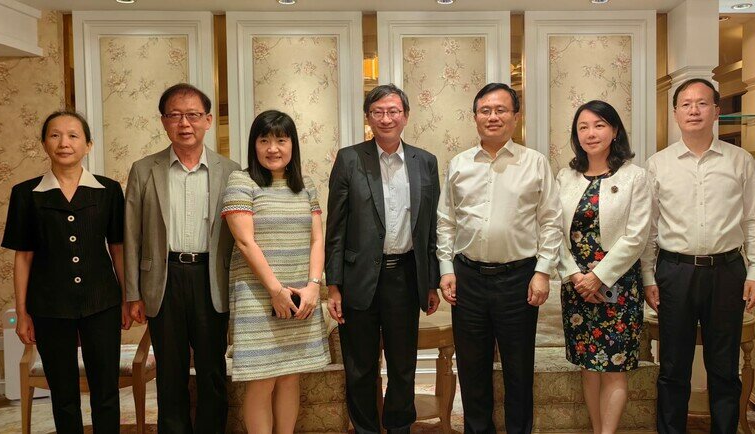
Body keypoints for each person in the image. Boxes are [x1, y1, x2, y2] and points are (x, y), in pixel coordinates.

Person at [641, 78, 755, 433]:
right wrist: (649, 277)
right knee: (673, 367)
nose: (693, 110)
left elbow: (753, 221)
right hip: (674, 272)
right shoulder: (658, 164)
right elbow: (649, 229)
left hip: (727, 272)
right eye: (685, 104)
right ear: (675, 113)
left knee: (724, 367)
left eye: (702, 103)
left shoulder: (740, 161)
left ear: (716, 110)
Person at [437, 82, 563, 434]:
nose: (493, 117)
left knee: (518, 369)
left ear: (515, 116)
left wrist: (543, 272)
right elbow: (446, 221)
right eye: (485, 111)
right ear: (475, 117)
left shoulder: (535, 163)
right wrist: (446, 269)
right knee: (472, 368)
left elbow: (551, 221)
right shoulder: (459, 164)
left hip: (519, 279)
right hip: (468, 278)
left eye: (501, 110)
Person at [2, 110, 131, 433]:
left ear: (88, 144)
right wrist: (22, 313)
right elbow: (24, 257)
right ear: (44, 143)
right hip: (48, 307)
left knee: (106, 391)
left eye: (73, 136)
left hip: (102, 303)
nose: (64, 143)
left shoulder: (108, 190)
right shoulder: (25, 194)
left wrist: (128, 298)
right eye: (55, 135)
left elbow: (118, 249)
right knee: (63, 394)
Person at [325, 84, 441, 434]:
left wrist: (431, 281)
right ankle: (365, 430)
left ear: (405, 115)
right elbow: (336, 227)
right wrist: (334, 286)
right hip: (358, 277)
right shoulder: (350, 159)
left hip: (405, 276)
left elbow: (431, 227)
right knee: (360, 366)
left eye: (393, 111)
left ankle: (399, 427)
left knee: (402, 365)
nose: (386, 118)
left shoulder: (426, 162)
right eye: (378, 112)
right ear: (368, 118)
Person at [124, 83, 240, 433]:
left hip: (211, 279)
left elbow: (242, 238)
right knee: (170, 373)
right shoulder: (144, 169)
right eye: (175, 115)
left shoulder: (231, 170)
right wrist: (132, 293)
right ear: (163, 122)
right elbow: (131, 234)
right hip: (163, 278)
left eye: (192, 115)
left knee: (212, 371)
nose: (184, 123)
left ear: (207, 120)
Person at [222, 110, 330, 433]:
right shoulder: (241, 181)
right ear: (254, 145)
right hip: (257, 296)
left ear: (292, 145)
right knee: (262, 380)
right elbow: (244, 242)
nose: (273, 148)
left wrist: (313, 287)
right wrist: (275, 291)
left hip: (300, 296)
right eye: (264, 140)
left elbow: (317, 238)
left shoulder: (305, 185)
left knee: (290, 375)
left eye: (281, 140)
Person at [555, 100, 651, 434]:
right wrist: (576, 276)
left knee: (614, 367)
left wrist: (598, 277)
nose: (591, 133)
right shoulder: (565, 176)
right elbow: (553, 230)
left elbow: (636, 236)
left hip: (618, 285)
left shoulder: (635, 177)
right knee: (588, 366)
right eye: (583, 127)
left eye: (599, 125)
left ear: (614, 130)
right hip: (576, 284)